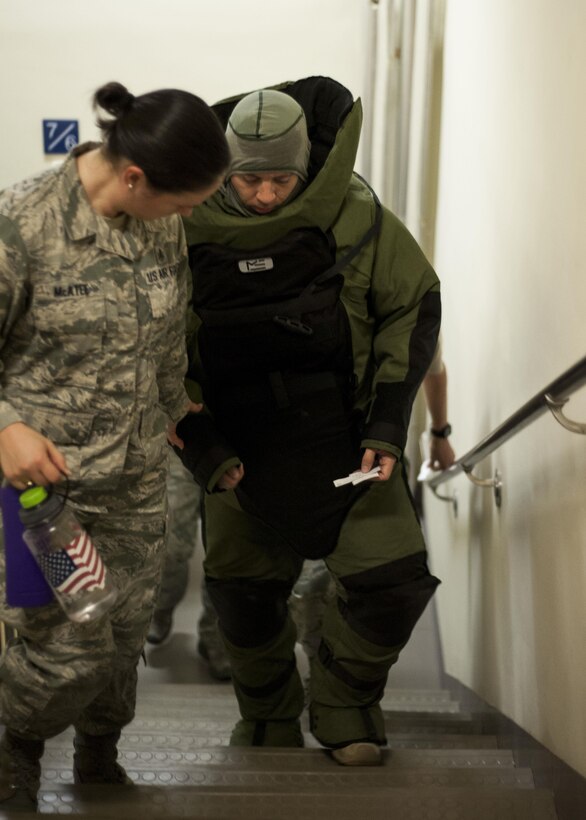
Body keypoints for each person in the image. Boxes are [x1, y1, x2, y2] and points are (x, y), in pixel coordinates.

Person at [177, 77, 442, 767]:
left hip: (351, 444)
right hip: (238, 453)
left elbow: (410, 310)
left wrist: (389, 425)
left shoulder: (358, 216)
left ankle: (345, 705)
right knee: (243, 598)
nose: (266, 195)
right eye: (251, 180)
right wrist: (203, 448)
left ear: (309, 169)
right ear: (226, 169)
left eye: (284, 179)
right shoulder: (181, 223)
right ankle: (267, 718)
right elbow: (156, 350)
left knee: (392, 585)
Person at [0, 81, 229, 811]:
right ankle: (13, 746)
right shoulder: (21, 225)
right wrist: (6, 423)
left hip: (135, 481)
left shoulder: (160, 226)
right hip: (44, 496)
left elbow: (167, 336)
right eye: (185, 201)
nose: (189, 217)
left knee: (125, 636)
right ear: (135, 177)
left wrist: (173, 412)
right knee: (63, 651)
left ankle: (99, 758)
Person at [146, 451, 231, 681]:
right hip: (180, 446)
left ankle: (215, 637)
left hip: (234, 451)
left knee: (225, 554)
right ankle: (162, 607)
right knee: (170, 546)